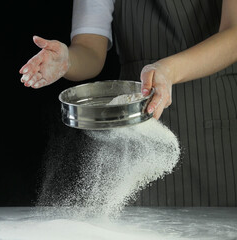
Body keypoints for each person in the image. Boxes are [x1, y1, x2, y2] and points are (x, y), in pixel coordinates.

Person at [19, 0, 237, 207]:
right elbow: (89, 50)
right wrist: (68, 60)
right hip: (137, 131)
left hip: (213, 121)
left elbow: (234, 33)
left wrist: (168, 70)